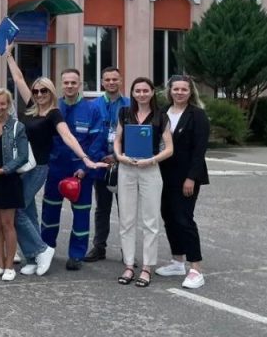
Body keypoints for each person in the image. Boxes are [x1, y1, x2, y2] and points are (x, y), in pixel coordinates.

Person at [5, 45, 104, 275]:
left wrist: (85, 161)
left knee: (20, 209)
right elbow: (18, 79)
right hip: (37, 168)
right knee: (39, 214)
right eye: (37, 91)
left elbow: (70, 137)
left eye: (43, 91)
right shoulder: (34, 107)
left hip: (54, 168)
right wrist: (9, 55)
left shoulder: (55, 112)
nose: (39, 94)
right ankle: (37, 255)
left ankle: (55, 252)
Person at [36, 68, 105, 274]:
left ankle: (76, 255)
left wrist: (84, 168)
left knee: (81, 215)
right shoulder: (52, 107)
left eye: (73, 83)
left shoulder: (92, 110)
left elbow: (97, 142)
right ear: (61, 85)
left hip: (81, 172)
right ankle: (45, 249)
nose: (69, 86)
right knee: (49, 213)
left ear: (80, 85)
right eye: (66, 83)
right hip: (55, 169)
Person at [114, 77, 173, 288]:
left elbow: (169, 148)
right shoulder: (124, 113)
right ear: (132, 93)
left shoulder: (161, 116)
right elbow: (117, 139)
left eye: (145, 90)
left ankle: (147, 267)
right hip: (127, 168)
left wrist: (152, 160)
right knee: (126, 220)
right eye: (137, 91)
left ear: (152, 92)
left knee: (150, 221)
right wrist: (119, 156)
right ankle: (129, 265)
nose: (141, 94)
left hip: (150, 169)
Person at [155, 75, 210, 290]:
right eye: (175, 89)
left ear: (190, 92)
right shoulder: (162, 113)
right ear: (169, 91)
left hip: (186, 177)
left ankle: (196, 268)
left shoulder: (197, 115)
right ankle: (177, 261)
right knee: (168, 217)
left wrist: (191, 178)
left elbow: (199, 151)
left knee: (184, 219)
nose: (179, 92)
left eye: (183, 89)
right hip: (163, 175)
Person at [0, 89, 27, 282]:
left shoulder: (18, 126)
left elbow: (23, 156)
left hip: (8, 179)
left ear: (9, 105)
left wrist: (4, 169)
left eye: (3, 104)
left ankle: (10, 265)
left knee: (8, 223)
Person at [86, 67, 130, 263]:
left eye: (115, 79)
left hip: (124, 164)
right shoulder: (93, 105)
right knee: (102, 208)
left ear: (120, 81)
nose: (111, 82)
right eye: (107, 79)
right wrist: (101, 157)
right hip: (101, 164)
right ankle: (99, 247)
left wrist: (117, 155)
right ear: (102, 82)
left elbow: (135, 135)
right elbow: (89, 136)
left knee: (126, 210)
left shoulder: (131, 105)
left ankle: (127, 251)